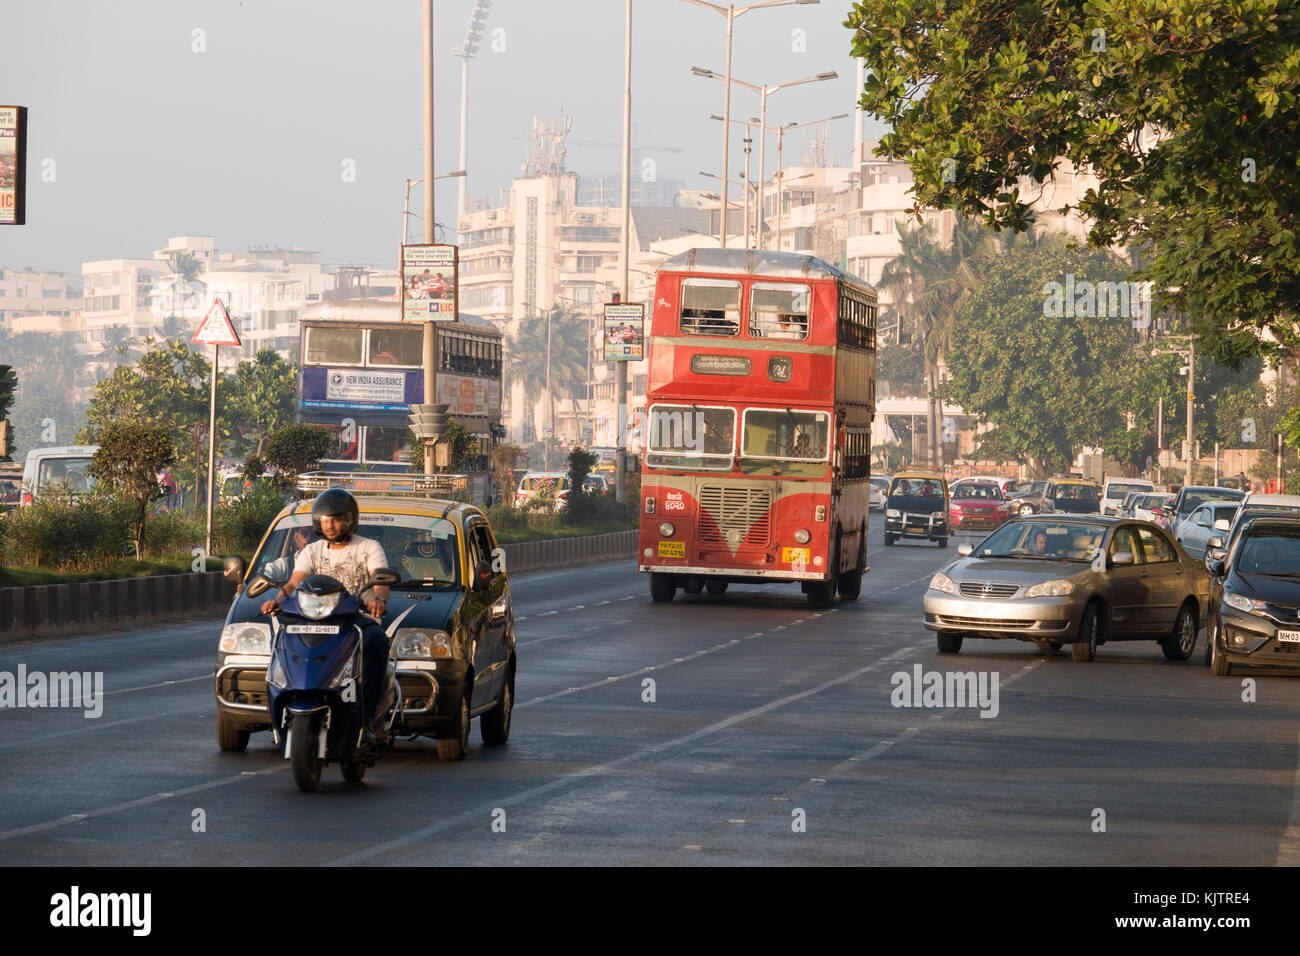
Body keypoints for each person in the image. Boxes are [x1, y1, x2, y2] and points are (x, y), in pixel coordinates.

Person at [260, 490, 392, 740]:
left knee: (377, 641)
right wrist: (277, 601)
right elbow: (294, 582)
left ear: (350, 520)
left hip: (355, 619)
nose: (330, 525)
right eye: (324, 520)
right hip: (314, 620)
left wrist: (378, 600)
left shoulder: (368, 547)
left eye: (336, 519)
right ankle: (284, 703)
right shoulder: (312, 550)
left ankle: (367, 718)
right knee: (279, 639)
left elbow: (380, 579)